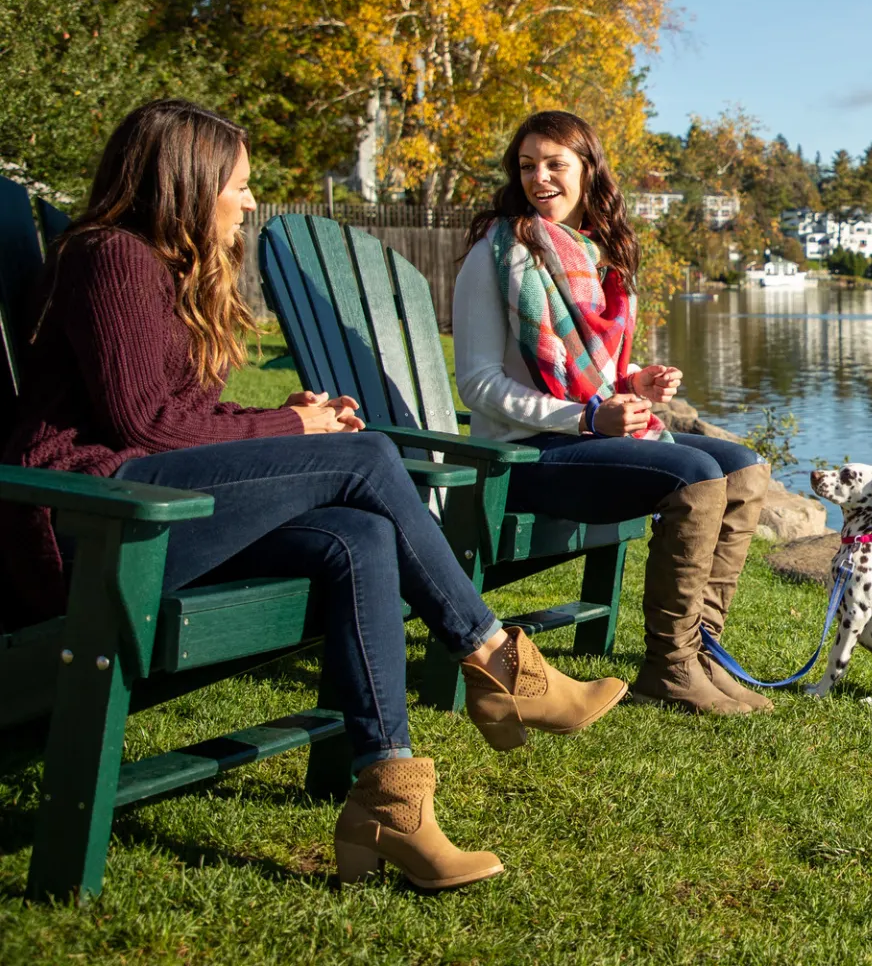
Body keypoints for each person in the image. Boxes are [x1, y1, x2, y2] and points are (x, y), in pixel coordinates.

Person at [1, 99, 628, 891]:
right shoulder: (111, 257)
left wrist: (293, 418)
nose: (250, 201)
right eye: (238, 184)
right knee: (363, 458)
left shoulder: (155, 267)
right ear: (186, 182)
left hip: (149, 511)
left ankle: (389, 801)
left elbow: (179, 415)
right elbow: (148, 424)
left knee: (356, 538)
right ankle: (498, 661)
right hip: (89, 525)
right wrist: (294, 427)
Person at [452, 110, 771, 716]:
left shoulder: (596, 258)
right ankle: (670, 666)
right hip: (522, 454)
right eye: (527, 166)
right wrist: (587, 421)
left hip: (581, 441)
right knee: (697, 474)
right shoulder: (497, 258)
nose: (539, 178)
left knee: (747, 468)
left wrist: (634, 383)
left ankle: (701, 650)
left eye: (554, 164)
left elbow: (590, 378)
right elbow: (478, 385)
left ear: (587, 171)